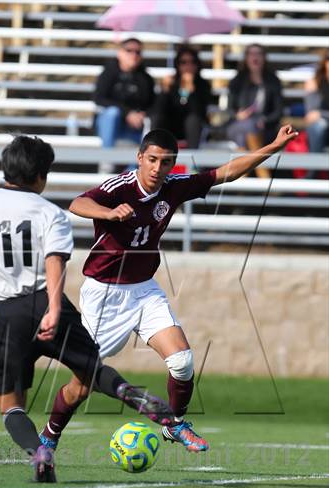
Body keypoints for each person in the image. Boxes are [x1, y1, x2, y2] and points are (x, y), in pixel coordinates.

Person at [0, 135, 173, 483]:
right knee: (90, 369)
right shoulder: (52, 213)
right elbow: (55, 260)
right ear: (42, 177)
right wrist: (52, 309)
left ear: (6, 168)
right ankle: (127, 392)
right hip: (52, 306)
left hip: (5, 314)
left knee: (11, 404)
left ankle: (39, 452)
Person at [69, 125, 298, 452]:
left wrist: (274, 145)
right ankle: (50, 434)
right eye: (152, 160)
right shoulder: (118, 188)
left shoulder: (173, 187)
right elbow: (77, 203)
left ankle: (174, 424)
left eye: (165, 163)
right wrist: (109, 212)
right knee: (82, 384)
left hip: (144, 290)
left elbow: (226, 172)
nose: (157, 168)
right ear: (139, 158)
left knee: (182, 361)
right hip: (104, 293)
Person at [226, 44, 283, 177]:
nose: (255, 57)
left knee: (245, 135)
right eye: (251, 54)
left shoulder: (273, 81)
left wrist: (265, 120)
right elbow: (229, 110)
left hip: (264, 128)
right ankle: (264, 175)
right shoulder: (237, 80)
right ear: (246, 58)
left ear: (264, 58)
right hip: (237, 124)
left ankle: (241, 180)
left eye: (258, 54)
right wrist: (238, 115)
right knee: (247, 126)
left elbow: (278, 111)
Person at [93, 38, 155, 149]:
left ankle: (134, 166)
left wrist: (141, 114)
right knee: (112, 113)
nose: (134, 55)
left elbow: (151, 104)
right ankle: (107, 160)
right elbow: (99, 98)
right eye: (129, 50)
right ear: (120, 53)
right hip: (109, 124)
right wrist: (127, 113)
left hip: (134, 126)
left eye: (138, 52)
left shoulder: (145, 78)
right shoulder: (108, 73)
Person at [152, 45, 212, 149]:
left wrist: (192, 92)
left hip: (193, 129)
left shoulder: (203, 85)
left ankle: (192, 159)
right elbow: (159, 109)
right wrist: (165, 91)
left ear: (197, 64)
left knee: (192, 120)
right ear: (177, 65)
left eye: (192, 62)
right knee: (159, 118)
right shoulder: (171, 82)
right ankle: (156, 153)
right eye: (183, 62)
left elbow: (200, 112)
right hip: (170, 127)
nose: (188, 66)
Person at [304, 49, 329, 172]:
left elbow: (317, 113)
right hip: (322, 128)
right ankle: (312, 172)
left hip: (323, 121)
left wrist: (322, 114)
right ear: (325, 62)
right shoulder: (314, 82)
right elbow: (311, 115)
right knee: (318, 126)